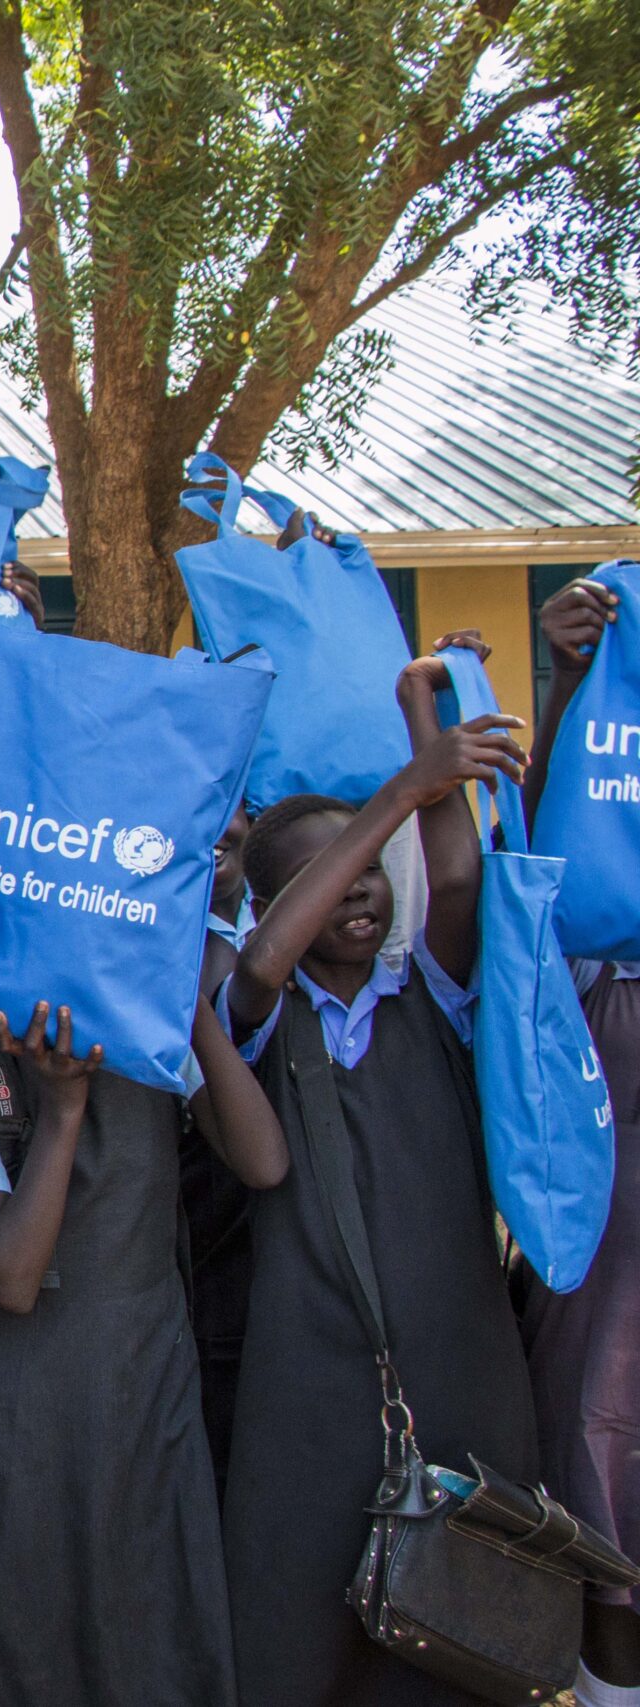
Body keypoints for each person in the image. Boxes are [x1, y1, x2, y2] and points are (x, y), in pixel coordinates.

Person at [219, 638, 542, 1707]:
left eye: (368, 879)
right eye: (328, 883)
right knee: (302, 1618)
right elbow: (266, 959)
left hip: (459, 1366)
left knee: (464, 1626)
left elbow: (451, 872)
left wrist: (421, 713)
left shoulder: (431, 998)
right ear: (277, 903)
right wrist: (402, 790)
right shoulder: (258, 1019)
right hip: (308, 1379)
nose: (360, 896)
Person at [0, 992, 284, 1707]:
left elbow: (263, 1159)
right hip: (17, 1418)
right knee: (7, 1645)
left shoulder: (150, 1035)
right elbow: (10, 1277)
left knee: (144, 1644)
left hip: (142, 1396)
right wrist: (63, 1113)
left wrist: (184, 998)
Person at [521, 572, 640, 1707]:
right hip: (614, 1051)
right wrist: (569, 683)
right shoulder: (602, 996)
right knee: (602, 1392)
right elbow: (553, 862)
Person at [182, 802, 258, 1497]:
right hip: (207, 1267)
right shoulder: (157, 950)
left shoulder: (287, 924)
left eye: (236, 803)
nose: (221, 829)